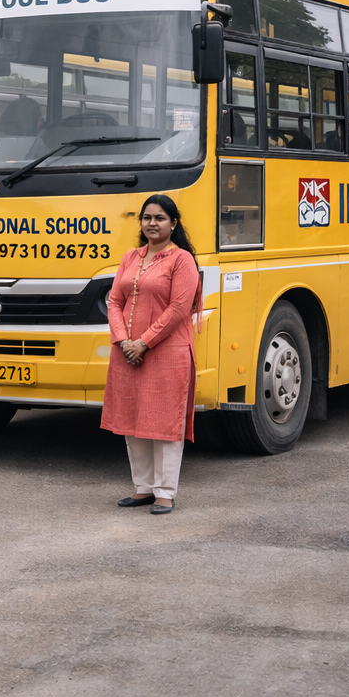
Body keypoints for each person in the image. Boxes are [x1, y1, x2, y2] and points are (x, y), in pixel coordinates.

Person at [101, 193, 201, 514]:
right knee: (133, 419)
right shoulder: (131, 257)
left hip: (166, 353)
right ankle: (143, 488)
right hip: (127, 354)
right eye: (147, 218)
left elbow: (178, 308)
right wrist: (123, 341)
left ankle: (165, 493)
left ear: (173, 224)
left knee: (164, 422)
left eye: (159, 218)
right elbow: (114, 301)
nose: (152, 223)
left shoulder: (182, 260)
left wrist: (143, 343)